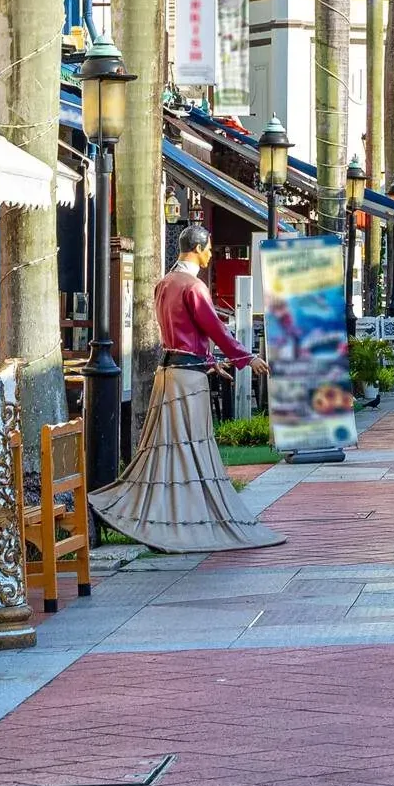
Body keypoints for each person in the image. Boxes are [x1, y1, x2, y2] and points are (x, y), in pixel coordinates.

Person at [90, 225, 282, 552]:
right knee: (189, 449)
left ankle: (159, 518)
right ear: (196, 247)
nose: (210, 254)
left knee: (167, 451)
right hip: (188, 382)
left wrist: (210, 360)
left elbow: (185, 335)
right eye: (208, 249)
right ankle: (183, 523)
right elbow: (214, 328)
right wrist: (245, 358)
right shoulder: (193, 287)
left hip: (169, 374)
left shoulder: (164, 284)